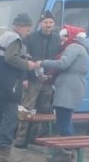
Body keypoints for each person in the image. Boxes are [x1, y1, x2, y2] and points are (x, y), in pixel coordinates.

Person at [0, 13, 38, 162]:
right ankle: (4, 152)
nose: (28, 32)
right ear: (20, 27)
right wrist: (28, 65)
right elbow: (10, 58)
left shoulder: (4, 36)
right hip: (9, 86)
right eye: (28, 29)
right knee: (9, 118)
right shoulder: (15, 39)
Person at [38, 25, 89, 162]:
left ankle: (66, 152)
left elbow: (63, 64)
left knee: (63, 121)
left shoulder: (73, 47)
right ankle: (67, 150)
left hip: (69, 88)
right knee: (65, 119)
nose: (61, 41)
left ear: (69, 37)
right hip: (71, 87)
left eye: (63, 38)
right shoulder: (80, 47)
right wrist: (50, 79)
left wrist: (42, 63)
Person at [14, 10, 61, 147]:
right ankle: (20, 138)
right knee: (26, 109)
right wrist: (25, 77)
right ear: (41, 23)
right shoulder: (31, 38)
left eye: (51, 22)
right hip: (32, 79)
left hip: (48, 80)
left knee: (43, 109)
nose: (48, 25)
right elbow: (24, 58)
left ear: (54, 24)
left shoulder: (57, 39)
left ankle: (34, 137)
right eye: (46, 22)